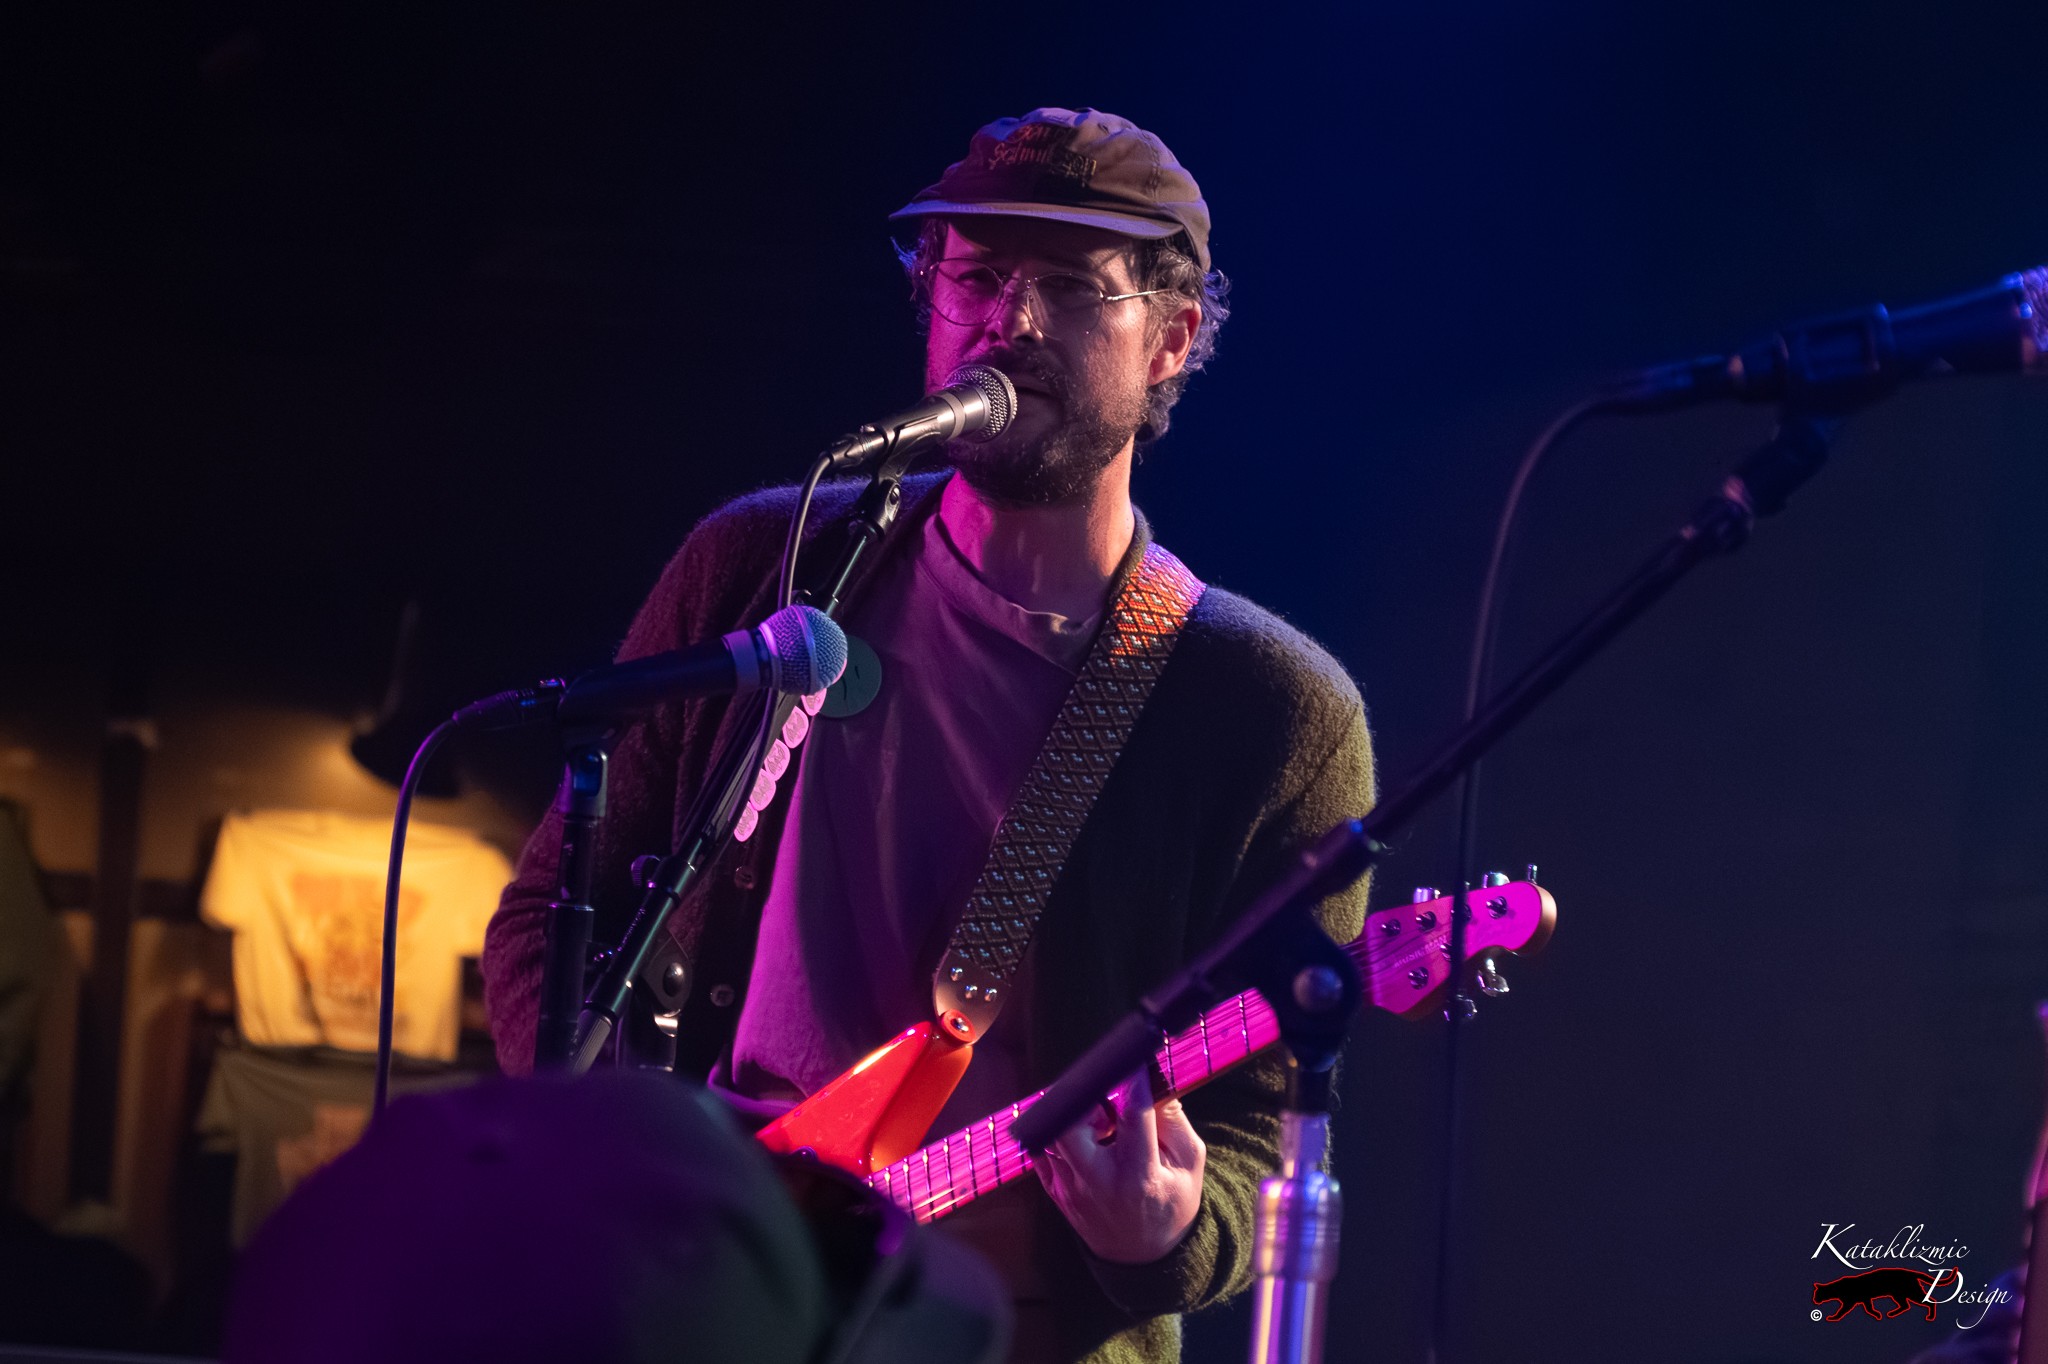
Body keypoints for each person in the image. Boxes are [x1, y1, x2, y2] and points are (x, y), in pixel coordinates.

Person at [482, 106, 1375, 1364]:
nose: (1010, 320)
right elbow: (545, 922)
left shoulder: (1273, 709)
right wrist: (633, 1167)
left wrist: (1163, 1226)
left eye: (1069, 286)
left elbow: (1252, 1134)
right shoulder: (764, 562)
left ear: (1171, 340)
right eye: (977, 276)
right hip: (717, 1308)